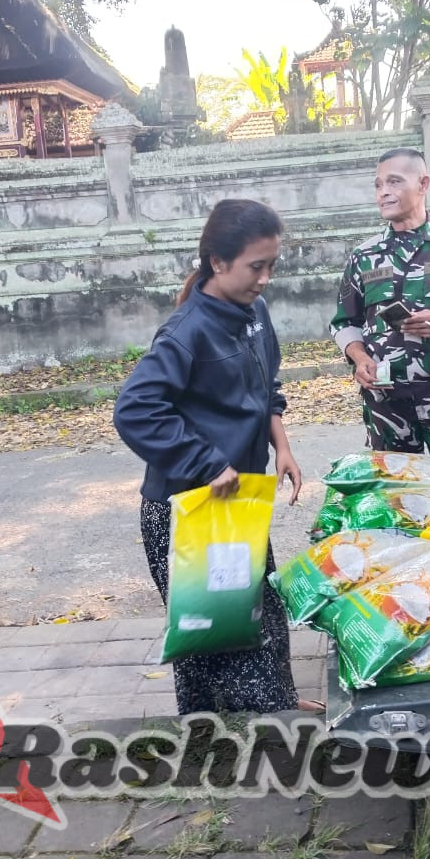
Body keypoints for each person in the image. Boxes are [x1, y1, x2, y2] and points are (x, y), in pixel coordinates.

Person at [113, 199, 312, 715]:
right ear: (217, 262)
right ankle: (238, 741)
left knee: (262, 610)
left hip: (236, 502)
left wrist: (281, 445)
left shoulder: (254, 313)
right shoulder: (187, 331)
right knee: (217, 636)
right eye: (255, 266)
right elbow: (136, 410)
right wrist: (205, 463)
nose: (266, 278)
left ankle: (280, 705)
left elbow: (266, 385)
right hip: (190, 511)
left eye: (272, 266)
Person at [330, 147, 430, 455]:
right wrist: (360, 359)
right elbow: (345, 322)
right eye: (378, 184)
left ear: (423, 184)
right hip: (386, 401)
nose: (384, 192)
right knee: (395, 495)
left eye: (394, 182)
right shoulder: (364, 256)